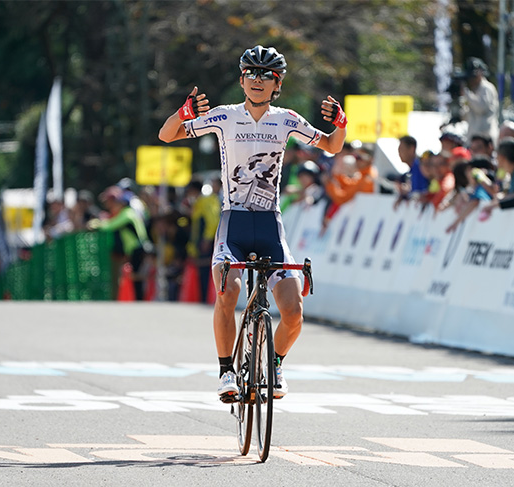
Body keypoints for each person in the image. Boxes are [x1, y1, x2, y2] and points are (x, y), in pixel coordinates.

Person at [158, 45, 347, 400]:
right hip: (235, 224)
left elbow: (333, 147)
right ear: (241, 79)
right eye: (251, 73)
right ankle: (226, 371)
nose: (258, 81)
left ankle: (274, 364)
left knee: (293, 311)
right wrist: (182, 112)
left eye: (267, 76)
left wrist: (340, 123)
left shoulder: (287, 119)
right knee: (227, 292)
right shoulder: (224, 116)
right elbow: (167, 135)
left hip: (270, 226)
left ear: (277, 85)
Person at [89, 186, 151, 300]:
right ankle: (138, 300)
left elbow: (110, 225)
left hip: (136, 248)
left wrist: (95, 224)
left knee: (136, 277)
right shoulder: (129, 213)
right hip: (136, 248)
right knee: (135, 276)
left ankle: (139, 301)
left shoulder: (127, 214)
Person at [459, 57, 499, 143]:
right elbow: (466, 116)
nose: (471, 80)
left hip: (485, 137)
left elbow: (480, 108)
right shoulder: (474, 90)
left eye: (473, 76)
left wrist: (466, 93)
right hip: (473, 137)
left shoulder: (486, 88)